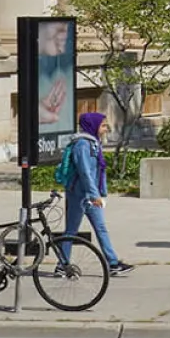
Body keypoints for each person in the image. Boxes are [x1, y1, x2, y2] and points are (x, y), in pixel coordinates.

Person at [58, 111, 133, 277]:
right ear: (93, 126)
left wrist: (100, 192)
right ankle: (62, 264)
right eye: (103, 125)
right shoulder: (82, 145)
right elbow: (85, 172)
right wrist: (94, 195)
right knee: (71, 231)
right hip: (79, 195)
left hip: (91, 195)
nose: (106, 129)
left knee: (101, 228)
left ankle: (113, 263)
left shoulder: (93, 143)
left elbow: (97, 171)